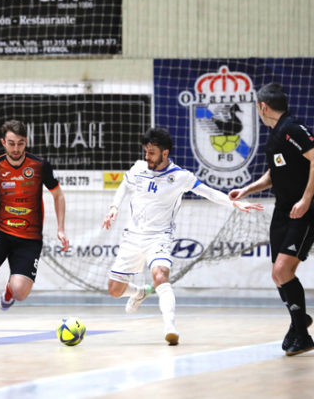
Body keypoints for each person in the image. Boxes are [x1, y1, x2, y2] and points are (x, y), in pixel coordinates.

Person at [102, 128, 263, 346]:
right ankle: (139, 292)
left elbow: (208, 192)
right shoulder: (139, 168)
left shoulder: (180, 176)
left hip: (158, 237)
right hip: (133, 237)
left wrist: (233, 202)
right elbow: (123, 185)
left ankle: (170, 328)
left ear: (165, 153)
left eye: (151, 153)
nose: (147, 157)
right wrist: (114, 207)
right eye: (145, 152)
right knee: (114, 290)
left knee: (160, 276)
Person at [229, 83, 314, 356]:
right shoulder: (275, 135)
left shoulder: (293, 128)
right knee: (277, 275)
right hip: (282, 211)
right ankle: (300, 320)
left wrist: (306, 199)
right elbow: (273, 175)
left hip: (305, 211)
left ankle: (302, 334)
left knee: (283, 271)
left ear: (263, 107)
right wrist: (247, 189)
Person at [0, 119, 69, 345]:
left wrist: (60, 229)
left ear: (26, 142)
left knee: (20, 292)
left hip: (29, 239)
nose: (16, 149)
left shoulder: (39, 166)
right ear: (3, 143)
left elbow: (58, 196)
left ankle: (9, 290)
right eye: (11, 143)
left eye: (20, 143)